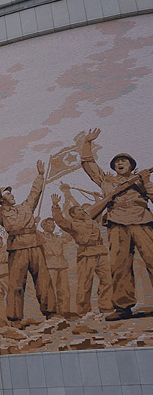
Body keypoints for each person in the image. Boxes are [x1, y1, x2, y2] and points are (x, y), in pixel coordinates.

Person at [80, 128, 153, 320]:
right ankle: (123, 307)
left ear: (131, 165)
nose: (120, 163)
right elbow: (88, 165)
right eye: (117, 162)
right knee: (119, 266)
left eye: (124, 161)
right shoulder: (107, 181)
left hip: (142, 221)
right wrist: (87, 143)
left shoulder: (141, 179)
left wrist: (147, 180)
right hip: (117, 224)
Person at [0, 161, 57, 324]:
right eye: (8, 194)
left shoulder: (26, 207)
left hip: (35, 245)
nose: (12, 195)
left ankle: (51, 313)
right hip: (17, 248)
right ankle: (15, 318)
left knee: (43, 280)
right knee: (16, 283)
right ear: (2, 200)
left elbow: (35, 193)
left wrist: (40, 175)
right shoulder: (0, 213)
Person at [52, 192, 113, 315]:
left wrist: (97, 198)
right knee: (85, 283)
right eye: (79, 210)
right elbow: (59, 220)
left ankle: (106, 307)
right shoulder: (72, 224)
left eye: (83, 209)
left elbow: (99, 209)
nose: (83, 211)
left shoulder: (93, 221)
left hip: (100, 252)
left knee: (107, 280)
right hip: (86, 253)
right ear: (74, 215)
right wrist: (55, 206)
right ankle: (83, 311)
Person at [39, 217, 72, 316]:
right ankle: (51, 311)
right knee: (50, 290)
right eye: (49, 223)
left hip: (61, 264)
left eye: (53, 224)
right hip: (49, 265)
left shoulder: (58, 237)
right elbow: (32, 232)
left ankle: (65, 311)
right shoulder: (40, 236)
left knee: (64, 289)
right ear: (44, 226)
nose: (53, 225)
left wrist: (65, 225)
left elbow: (69, 237)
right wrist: (34, 221)